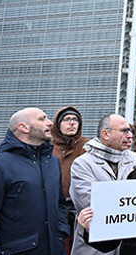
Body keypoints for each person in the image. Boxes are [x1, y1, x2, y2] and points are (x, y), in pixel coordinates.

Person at [0, 108, 69, 255]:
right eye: (42, 119)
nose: (50, 123)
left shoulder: (52, 162)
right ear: (23, 127)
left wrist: (62, 231)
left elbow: (59, 204)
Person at [70, 113, 136, 255]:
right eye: (124, 130)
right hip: (94, 248)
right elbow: (91, 204)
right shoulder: (82, 164)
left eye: (131, 130)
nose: (130, 135)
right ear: (106, 134)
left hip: (128, 247)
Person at [51, 105, 90, 253]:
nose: (72, 123)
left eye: (75, 120)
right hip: (54, 207)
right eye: (67, 119)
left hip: (80, 208)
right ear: (58, 124)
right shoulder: (47, 146)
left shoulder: (88, 145)